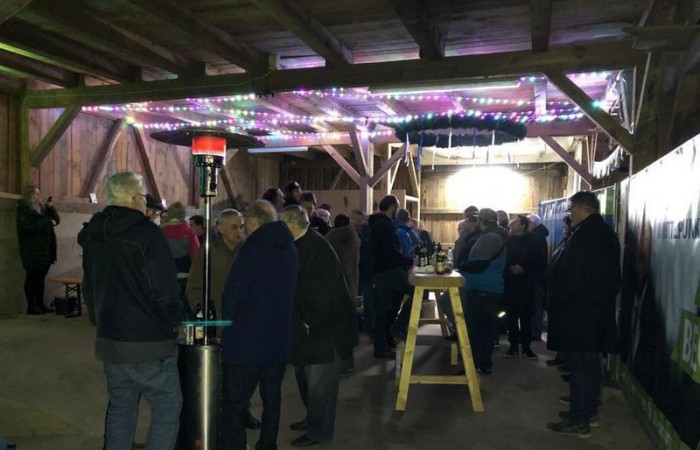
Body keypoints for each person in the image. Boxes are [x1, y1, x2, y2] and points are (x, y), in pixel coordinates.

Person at [78, 172, 182, 450]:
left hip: (110, 339)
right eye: (143, 196)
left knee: (121, 405)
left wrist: (99, 320)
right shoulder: (148, 234)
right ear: (135, 198)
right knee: (167, 404)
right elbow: (164, 290)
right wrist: (175, 321)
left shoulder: (93, 235)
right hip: (147, 341)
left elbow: (89, 285)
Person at [220, 200, 299, 450]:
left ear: (254, 222)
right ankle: (267, 444)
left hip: (246, 342)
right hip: (278, 339)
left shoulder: (252, 250)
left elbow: (233, 293)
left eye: (245, 223)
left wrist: (227, 323)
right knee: (272, 399)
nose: (244, 228)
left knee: (235, 403)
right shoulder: (290, 249)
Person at [280, 206, 359, 447]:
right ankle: (312, 419)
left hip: (325, 329)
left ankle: (319, 431)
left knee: (320, 384)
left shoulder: (315, 247)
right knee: (306, 377)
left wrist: (306, 320)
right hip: (312, 327)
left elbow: (323, 293)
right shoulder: (303, 243)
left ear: (291, 224)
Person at [546, 191, 621, 438]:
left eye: (571, 210)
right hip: (592, 314)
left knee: (580, 368)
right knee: (589, 366)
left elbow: (574, 277)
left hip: (580, 315)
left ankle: (579, 420)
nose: (570, 215)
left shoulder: (588, 236)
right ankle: (588, 412)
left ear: (580, 208)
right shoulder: (601, 233)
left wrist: (559, 301)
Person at [460, 208, 508, 374]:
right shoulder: (493, 235)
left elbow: (478, 264)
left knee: (479, 330)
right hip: (486, 287)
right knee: (483, 328)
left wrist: (464, 266)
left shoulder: (491, 237)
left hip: (483, 288)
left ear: (482, 221)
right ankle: (480, 364)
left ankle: (478, 364)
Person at [368, 195, 414, 358]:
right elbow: (391, 252)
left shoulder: (377, 223)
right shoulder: (384, 225)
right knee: (418, 292)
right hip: (388, 272)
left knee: (389, 308)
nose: (398, 210)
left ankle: (387, 341)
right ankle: (397, 330)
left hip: (382, 271)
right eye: (398, 206)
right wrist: (409, 261)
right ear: (392, 206)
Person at [325, 214, 361, 376]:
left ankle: (341, 366)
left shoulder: (330, 238)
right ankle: (350, 364)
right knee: (348, 328)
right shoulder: (354, 237)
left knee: (337, 330)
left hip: (336, 288)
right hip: (352, 286)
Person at [16, 186, 60, 314]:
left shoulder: (42, 209)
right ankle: (31, 306)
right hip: (32, 250)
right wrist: (46, 222)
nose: (38, 196)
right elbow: (28, 228)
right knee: (32, 278)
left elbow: (56, 220)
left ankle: (40, 304)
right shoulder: (24, 211)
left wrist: (50, 207)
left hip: (46, 249)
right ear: (28, 196)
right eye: (35, 194)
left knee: (40, 278)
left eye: (39, 193)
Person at [503, 214, 539, 359]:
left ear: (523, 225)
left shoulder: (533, 240)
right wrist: (509, 268)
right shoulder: (507, 240)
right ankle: (513, 346)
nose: (512, 223)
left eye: (516, 221)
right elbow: (502, 259)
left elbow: (538, 261)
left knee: (526, 317)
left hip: (526, 284)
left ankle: (526, 347)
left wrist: (523, 269)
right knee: (511, 316)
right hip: (510, 284)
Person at [161, 201, 200, 320]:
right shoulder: (189, 232)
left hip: (166, 277)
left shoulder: (159, 231)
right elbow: (196, 256)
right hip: (185, 275)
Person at [527, 213, 549, 342]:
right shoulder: (539, 237)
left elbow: (536, 259)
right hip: (537, 277)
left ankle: (535, 332)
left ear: (533, 224)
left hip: (535, 278)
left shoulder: (537, 238)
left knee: (536, 305)